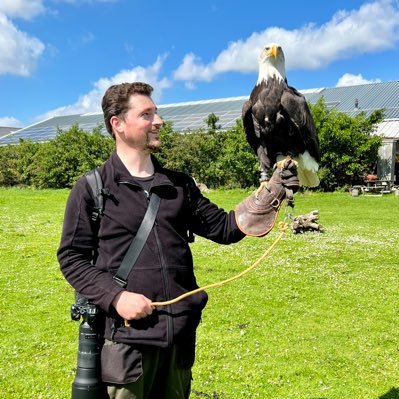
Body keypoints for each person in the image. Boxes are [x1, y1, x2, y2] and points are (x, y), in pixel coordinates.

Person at [57, 82, 299, 399]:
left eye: (156, 113)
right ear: (118, 124)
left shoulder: (178, 185)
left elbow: (225, 228)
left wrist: (273, 190)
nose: (158, 121)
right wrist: (116, 298)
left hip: (179, 339)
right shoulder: (92, 188)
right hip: (127, 344)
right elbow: (72, 259)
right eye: (147, 114)